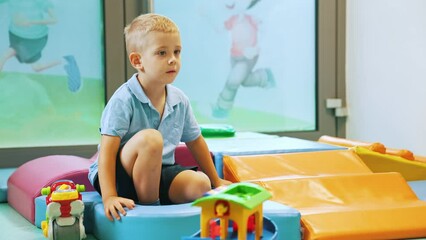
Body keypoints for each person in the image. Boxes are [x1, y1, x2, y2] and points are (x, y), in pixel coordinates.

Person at [88, 13, 231, 221]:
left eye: (177, 51)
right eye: (161, 53)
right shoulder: (124, 99)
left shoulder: (179, 100)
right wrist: (109, 196)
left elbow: (195, 141)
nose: (172, 59)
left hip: (159, 172)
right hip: (121, 177)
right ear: (138, 61)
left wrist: (216, 180)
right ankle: (151, 210)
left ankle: (155, 198)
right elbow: (107, 153)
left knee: (200, 184)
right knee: (151, 139)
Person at [0, 0, 81, 92]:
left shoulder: (40, 2)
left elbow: (54, 19)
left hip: (33, 38)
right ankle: (63, 61)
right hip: (15, 35)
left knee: (4, 56)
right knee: (37, 67)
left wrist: (30, 22)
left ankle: (66, 61)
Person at [212, 0, 275, 118]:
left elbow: (264, 34)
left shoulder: (252, 19)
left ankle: (221, 109)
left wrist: (254, 49)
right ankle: (264, 77)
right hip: (234, 56)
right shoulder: (234, 18)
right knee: (244, 81)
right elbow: (221, 28)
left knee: (233, 82)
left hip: (247, 57)